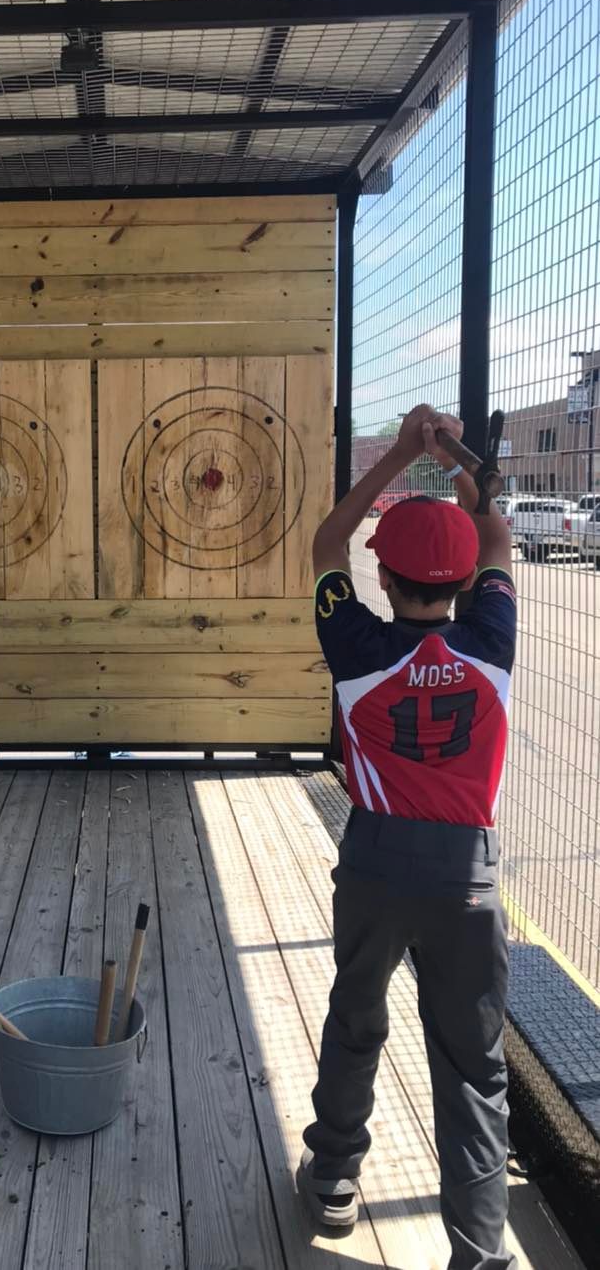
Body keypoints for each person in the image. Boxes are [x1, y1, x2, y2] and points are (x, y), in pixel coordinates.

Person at [297, 404, 518, 1270]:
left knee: (356, 1016)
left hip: (376, 860)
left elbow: (325, 545)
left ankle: (333, 1181)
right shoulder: (492, 637)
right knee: (473, 1066)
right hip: (466, 872)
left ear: (381, 580)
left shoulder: (353, 643)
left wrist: (396, 455)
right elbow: (493, 533)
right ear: (465, 583)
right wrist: (464, 472)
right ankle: (479, 1251)